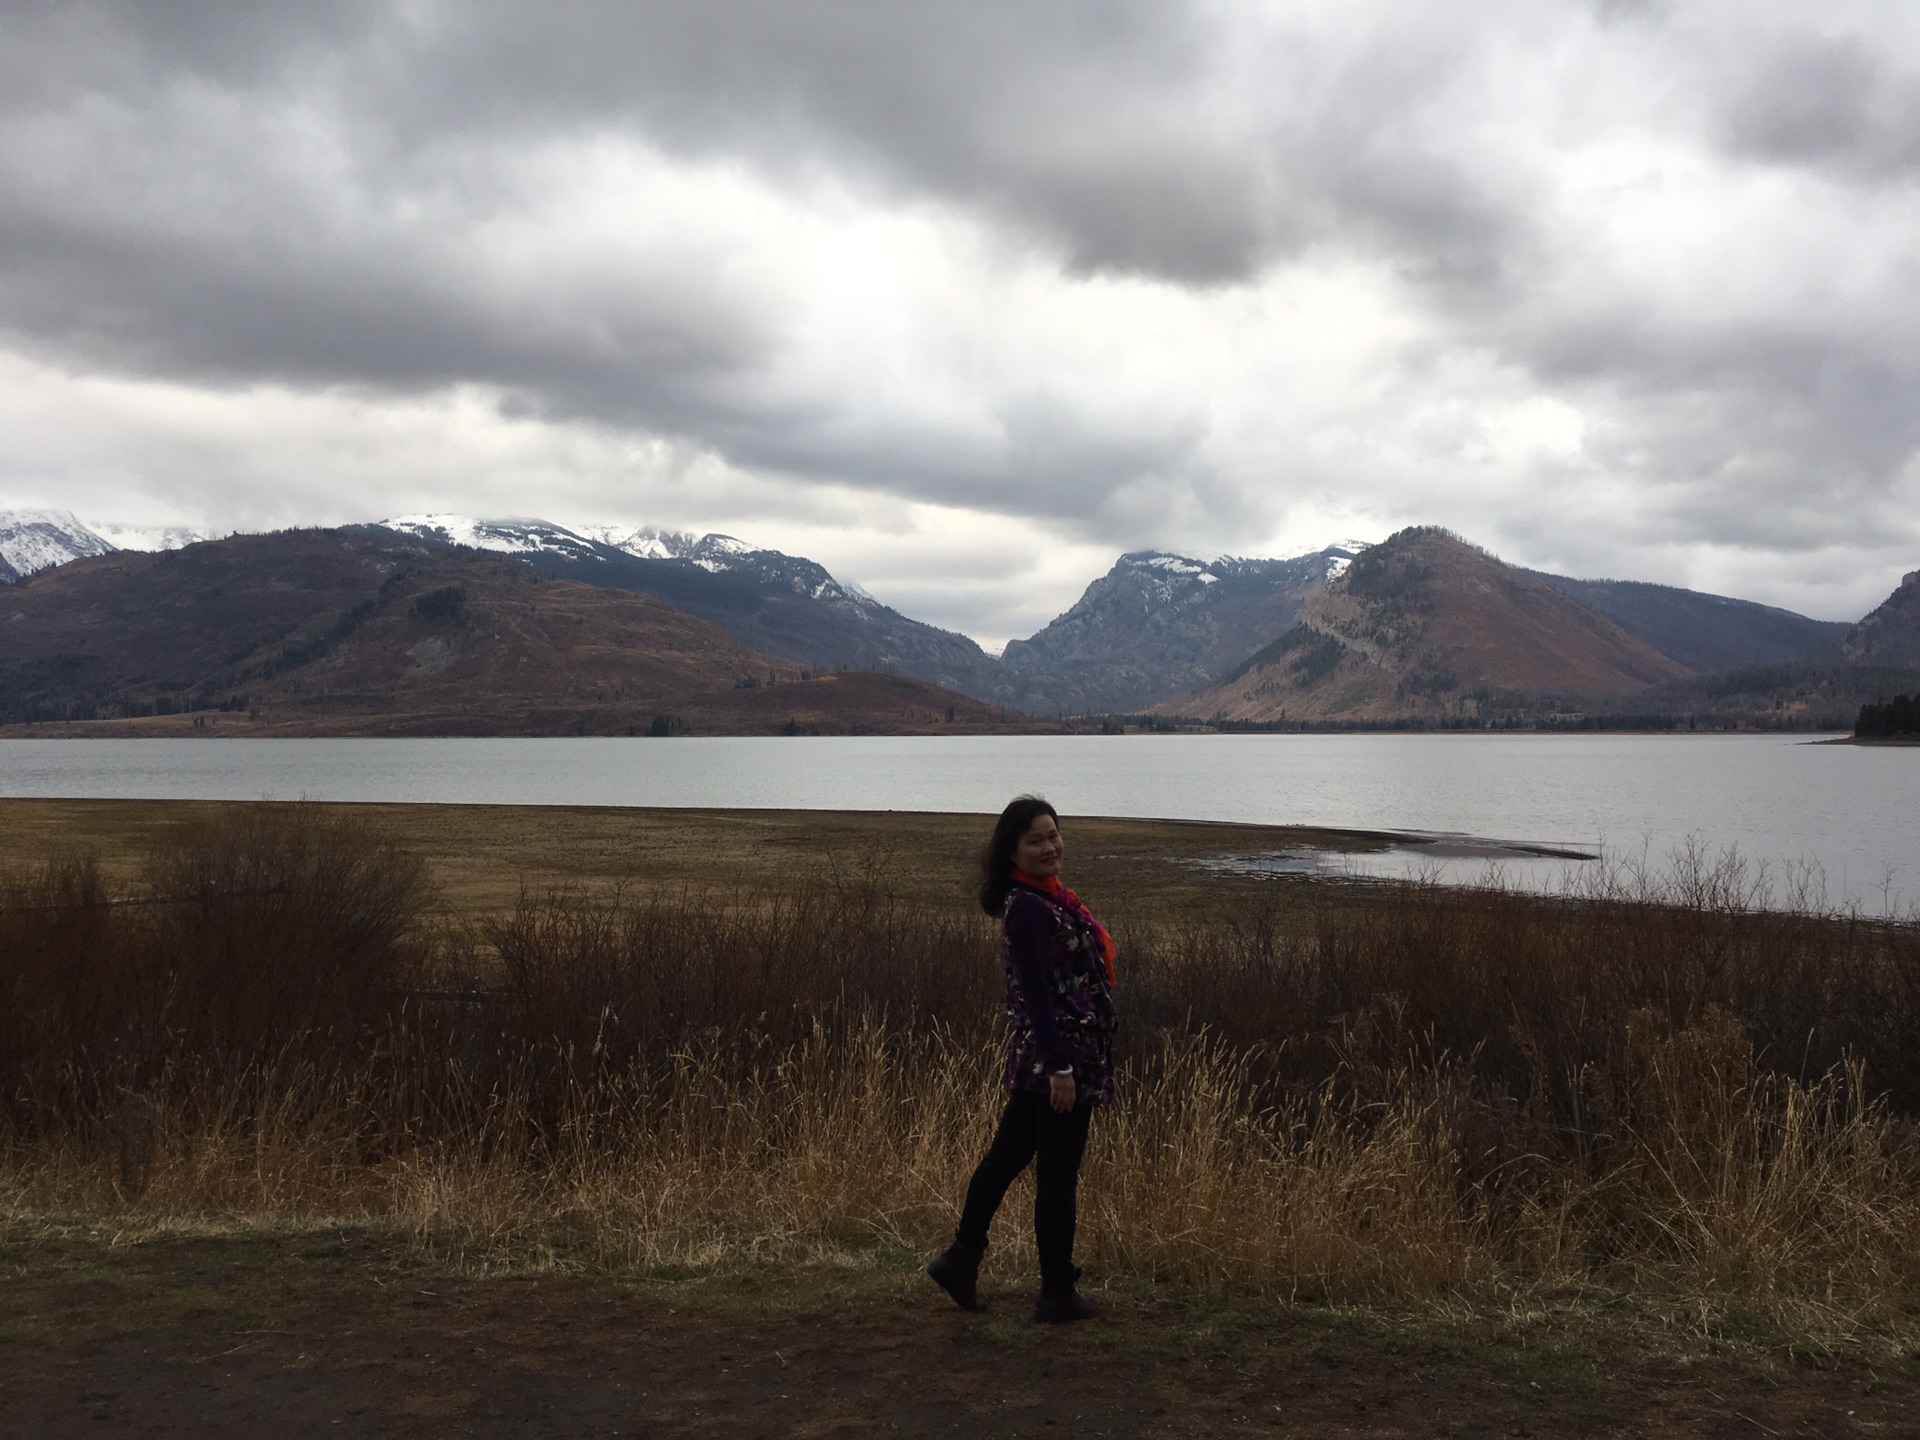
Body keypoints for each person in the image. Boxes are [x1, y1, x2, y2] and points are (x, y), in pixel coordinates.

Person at [927, 795, 1118, 1323]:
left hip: (1050, 1060)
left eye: (1053, 835)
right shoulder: (1030, 908)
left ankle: (961, 1259)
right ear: (1012, 851)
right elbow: (1034, 995)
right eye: (1035, 839)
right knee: (1057, 1177)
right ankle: (1056, 1292)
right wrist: (1060, 1069)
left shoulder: (1053, 900)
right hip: (1056, 1065)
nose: (1049, 846)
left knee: (1007, 1157)